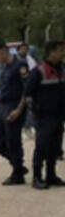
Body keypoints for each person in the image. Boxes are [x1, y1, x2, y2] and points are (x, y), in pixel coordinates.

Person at [13, 40, 65, 189]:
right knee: (42, 146)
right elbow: (28, 92)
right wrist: (34, 110)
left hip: (59, 115)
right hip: (44, 115)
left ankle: (51, 175)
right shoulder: (39, 70)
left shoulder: (62, 68)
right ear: (51, 52)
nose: (62, 53)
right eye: (60, 50)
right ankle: (37, 177)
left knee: (55, 146)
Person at [0, 43, 30, 185]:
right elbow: (3, 86)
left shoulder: (20, 65)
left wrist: (19, 109)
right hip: (2, 105)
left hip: (14, 105)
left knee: (13, 140)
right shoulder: (4, 67)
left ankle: (17, 173)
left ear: (4, 53)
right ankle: (18, 165)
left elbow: (26, 88)